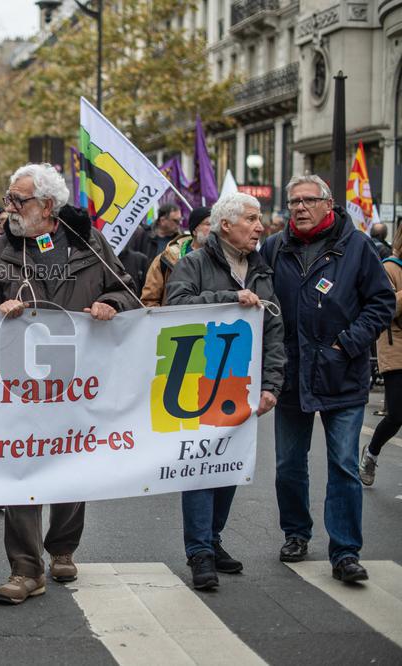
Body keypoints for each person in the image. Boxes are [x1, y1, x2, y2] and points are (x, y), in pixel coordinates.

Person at [0, 163, 140, 605]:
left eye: (16, 200)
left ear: (47, 205)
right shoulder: (1, 249)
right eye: (8, 199)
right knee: (21, 467)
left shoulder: (88, 242)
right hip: (18, 381)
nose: (8, 208)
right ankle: (25, 570)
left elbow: (127, 291)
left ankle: (63, 546)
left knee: (71, 462)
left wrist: (108, 303)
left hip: (78, 378)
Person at [261, 174, 394, 583]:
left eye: (308, 200)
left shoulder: (356, 246)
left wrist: (347, 344)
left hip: (342, 375)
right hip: (290, 375)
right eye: (293, 201)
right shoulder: (273, 247)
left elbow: (381, 302)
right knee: (288, 465)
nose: (299, 208)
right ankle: (296, 534)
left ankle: (346, 552)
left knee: (343, 465)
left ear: (329, 203)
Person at [165, 193, 284, 590]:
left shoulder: (262, 269)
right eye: (251, 219)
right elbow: (175, 306)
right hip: (198, 381)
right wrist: (229, 298)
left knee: (229, 463)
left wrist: (270, 384)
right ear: (226, 225)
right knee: (200, 467)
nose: (259, 226)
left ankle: (213, 539)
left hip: (241, 382)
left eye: (259, 219)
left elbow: (274, 330)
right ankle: (198, 552)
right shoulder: (193, 263)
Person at [360, 229, 402, 486]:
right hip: (395, 346)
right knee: (397, 414)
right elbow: (385, 306)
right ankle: (371, 454)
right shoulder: (389, 266)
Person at [141, 206, 211, 307]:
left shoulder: (225, 257)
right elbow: (149, 300)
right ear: (195, 230)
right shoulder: (166, 258)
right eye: (208, 224)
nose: (214, 228)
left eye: (217, 224)